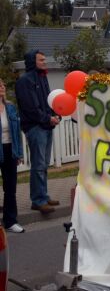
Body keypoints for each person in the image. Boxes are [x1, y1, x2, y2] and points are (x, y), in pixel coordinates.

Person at [15, 50, 60, 214]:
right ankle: (38, 200)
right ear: (32, 62)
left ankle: (43, 196)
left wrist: (55, 114)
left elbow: (47, 101)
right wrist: (47, 119)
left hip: (46, 126)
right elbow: (31, 108)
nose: (45, 62)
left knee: (44, 164)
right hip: (35, 127)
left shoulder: (42, 77)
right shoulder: (24, 81)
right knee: (38, 165)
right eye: (41, 60)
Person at [0, 79, 25, 232]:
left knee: (10, 187)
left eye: (3, 85)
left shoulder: (10, 108)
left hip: (10, 150)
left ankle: (10, 221)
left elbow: (16, 132)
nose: (2, 87)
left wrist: (19, 153)